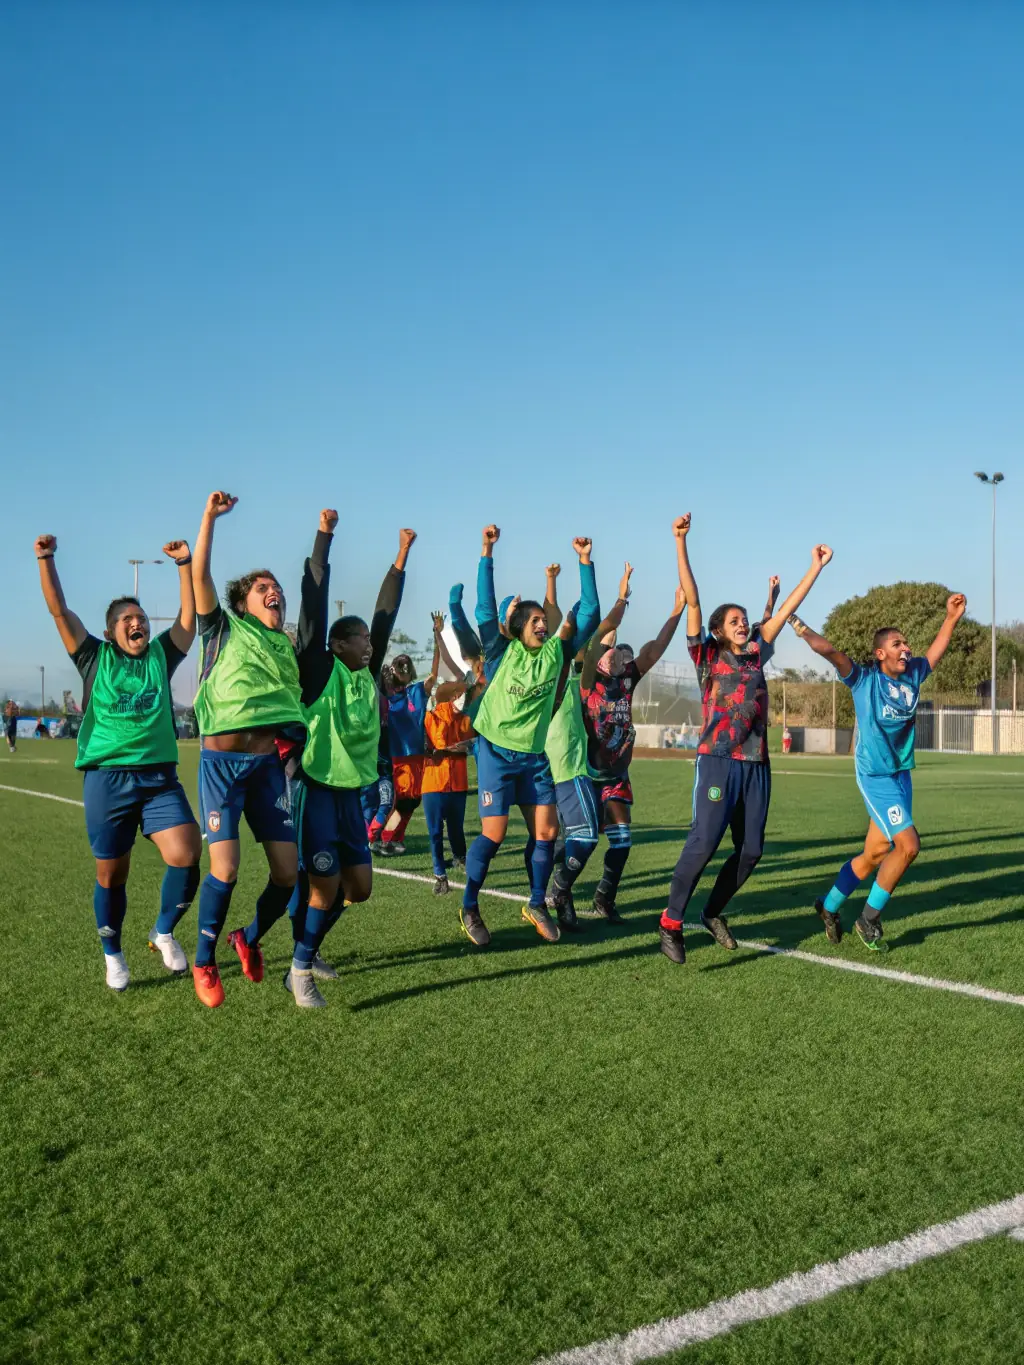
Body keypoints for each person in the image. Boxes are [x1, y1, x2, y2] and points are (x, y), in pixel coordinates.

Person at [230, 510, 414, 1007]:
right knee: (322, 887)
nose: (370, 644)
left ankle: (296, 947)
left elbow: (385, 615)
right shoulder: (319, 668)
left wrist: (401, 557)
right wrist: (324, 538)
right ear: (337, 644)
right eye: (360, 638)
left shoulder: (365, 673)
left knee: (359, 889)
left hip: (351, 795)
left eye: (370, 640)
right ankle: (300, 969)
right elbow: (313, 599)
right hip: (313, 790)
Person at [659, 516, 834, 964]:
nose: (742, 624)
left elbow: (785, 609)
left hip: (757, 764)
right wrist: (680, 541)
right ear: (719, 630)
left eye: (744, 619)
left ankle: (711, 912)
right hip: (718, 760)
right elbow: (693, 598)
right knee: (704, 842)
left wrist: (815, 568)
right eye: (734, 620)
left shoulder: (757, 651)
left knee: (752, 850)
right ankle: (671, 922)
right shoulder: (705, 655)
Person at [35, 533, 201, 992]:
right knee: (112, 874)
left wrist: (184, 565)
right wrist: (46, 558)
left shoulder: (161, 655)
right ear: (110, 632)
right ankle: (113, 953)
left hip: (159, 778)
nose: (137, 623)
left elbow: (188, 620)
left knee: (187, 854)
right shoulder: (95, 656)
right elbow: (59, 611)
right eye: (127, 619)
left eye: (140, 618)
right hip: (107, 779)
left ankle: (163, 932)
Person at [790, 593, 967, 951]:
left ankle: (828, 906)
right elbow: (830, 652)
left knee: (875, 853)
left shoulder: (913, 674)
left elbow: (935, 652)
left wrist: (951, 618)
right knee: (909, 845)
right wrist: (799, 626)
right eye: (897, 644)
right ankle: (868, 918)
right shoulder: (863, 680)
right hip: (875, 775)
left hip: (901, 774)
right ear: (880, 653)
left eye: (906, 643)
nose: (906, 648)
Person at [190, 490, 306, 1008]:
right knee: (226, 868)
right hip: (221, 766)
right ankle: (204, 959)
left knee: (287, 872)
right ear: (243, 604)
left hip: (265, 767)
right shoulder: (223, 627)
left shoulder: (286, 646)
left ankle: (248, 937)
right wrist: (209, 517)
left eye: (276, 587)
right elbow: (199, 576)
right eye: (263, 588)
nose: (273, 591)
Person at [458, 524, 600, 947]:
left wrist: (585, 562)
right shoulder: (500, 651)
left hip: (535, 757)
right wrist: (487, 551)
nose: (542, 624)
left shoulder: (557, 653)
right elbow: (485, 608)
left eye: (544, 620)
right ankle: (469, 905)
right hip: (496, 754)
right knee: (494, 835)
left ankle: (537, 903)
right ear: (519, 627)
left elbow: (589, 613)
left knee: (547, 834)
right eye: (535, 620)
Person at [564, 546, 689, 925]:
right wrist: (622, 598)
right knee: (579, 843)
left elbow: (656, 647)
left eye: (618, 649)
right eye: (608, 648)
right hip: (586, 774)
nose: (615, 653)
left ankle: (604, 898)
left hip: (616, 776)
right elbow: (599, 636)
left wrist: (677, 610)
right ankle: (559, 890)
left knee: (621, 840)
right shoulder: (587, 679)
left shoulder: (628, 678)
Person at [422, 614, 476, 894]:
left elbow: (476, 741)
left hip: (457, 782)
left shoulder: (466, 718)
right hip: (433, 782)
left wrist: (468, 746)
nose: (460, 695)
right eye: (457, 692)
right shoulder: (432, 712)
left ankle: (460, 858)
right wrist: (437, 637)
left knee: (456, 827)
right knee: (435, 831)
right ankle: (439, 874)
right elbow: (435, 672)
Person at [379, 647, 436, 855]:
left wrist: (438, 639)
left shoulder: (417, 691)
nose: (403, 670)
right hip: (398, 756)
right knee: (401, 800)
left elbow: (434, 673)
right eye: (399, 667)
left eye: (406, 667)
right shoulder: (386, 696)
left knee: (412, 801)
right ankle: (384, 839)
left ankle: (396, 837)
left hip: (417, 756)